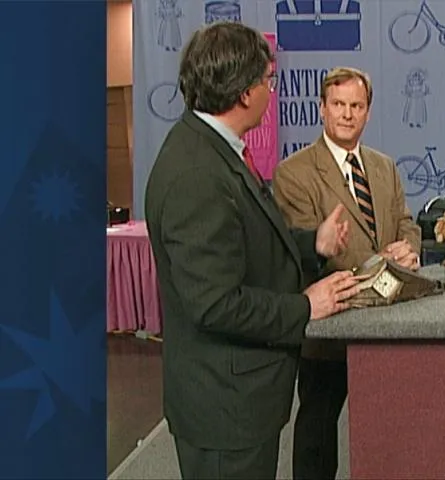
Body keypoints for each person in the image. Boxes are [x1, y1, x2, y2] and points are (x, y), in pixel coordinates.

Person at [144, 23, 363, 479]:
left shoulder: (214, 150)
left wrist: (313, 243)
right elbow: (216, 304)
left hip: (238, 402)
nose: (271, 91)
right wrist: (307, 306)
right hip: (224, 410)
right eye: (268, 80)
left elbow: (246, 246)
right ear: (245, 93)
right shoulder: (197, 176)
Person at [273, 66, 421, 480]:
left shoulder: (384, 167)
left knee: (389, 433)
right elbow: (307, 249)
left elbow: (406, 222)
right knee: (318, 432)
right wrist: (378, 266)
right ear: (322, 108)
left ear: (368, 112)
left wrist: (409, 248)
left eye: (356, 105)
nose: (347, 114)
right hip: (330, 325)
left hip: (389, 325)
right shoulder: (294, 173)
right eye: (338, 104)